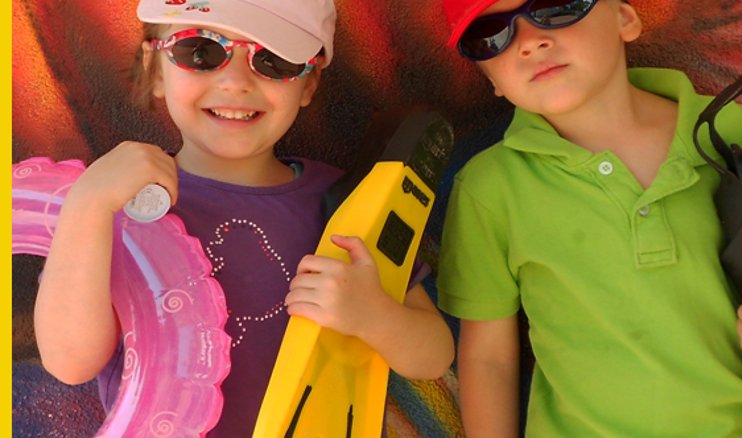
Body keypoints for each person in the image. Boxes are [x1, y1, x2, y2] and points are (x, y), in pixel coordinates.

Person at [435, 0, 742, 436]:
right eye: (490, 35)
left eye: (557, 7)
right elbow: (488, 358)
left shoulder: (731, 131)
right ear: (490, 78)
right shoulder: (489, 188)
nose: (529, 42)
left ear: (625, 18)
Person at [33, 1, 454, 435]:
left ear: (308, 84)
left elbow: (434, 355)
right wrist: (86, 206)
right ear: (156, 68)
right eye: (199, 52)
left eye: (273, 60)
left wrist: (375, 315)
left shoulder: (346, 205)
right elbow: (70, 362)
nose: (235, 82)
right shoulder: (114, 206)